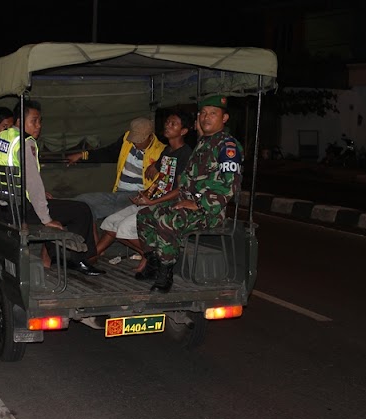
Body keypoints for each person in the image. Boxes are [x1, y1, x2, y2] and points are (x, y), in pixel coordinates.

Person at [0, 100, 104, 276]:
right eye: (34, 121)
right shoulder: (26, 143)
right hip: (22, 211)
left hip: (4, 207)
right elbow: (33, 183)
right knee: (81, 209)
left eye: (40, 121)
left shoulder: (0, 137)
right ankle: (80, 260)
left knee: (51, 205)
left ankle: (56, 257)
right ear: (19, 121)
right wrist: (45, 218)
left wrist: (1, 173)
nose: (38, 126)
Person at [136, 95, 244, 293]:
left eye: (213, 113)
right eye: (203, 113)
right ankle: (152, 262)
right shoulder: (204, 143)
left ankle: (165, 272)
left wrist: (198, 204)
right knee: (144, 215)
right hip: (187, 203)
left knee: (168, 220)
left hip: (210, 211)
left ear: (225, 118)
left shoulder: (227, 146)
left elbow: (230, 186)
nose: (206, 117)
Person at [94, 109, 194, 274]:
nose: (168, 126)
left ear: (183, 131)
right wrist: (146, 194)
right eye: (168, 122)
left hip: (168, 205)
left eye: (173, 124)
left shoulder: (185, 154)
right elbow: (162, 181)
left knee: (124, 229)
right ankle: (148, 255)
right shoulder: (167, 151)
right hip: (155, 200)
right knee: (110, 223)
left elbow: (181, 189)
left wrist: (151, 201)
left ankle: (153, 257)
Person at [66, 117, 166, 220]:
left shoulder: (161, 151)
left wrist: (157, 164)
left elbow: (172, 167)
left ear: (150, 137)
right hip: (118, 192)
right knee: (81, 201)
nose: (135, 143)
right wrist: (83, 155)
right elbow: (108, 153)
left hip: (137, 196)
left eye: (139, 140)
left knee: (109, 217)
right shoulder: (126, 139)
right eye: (134, 139)